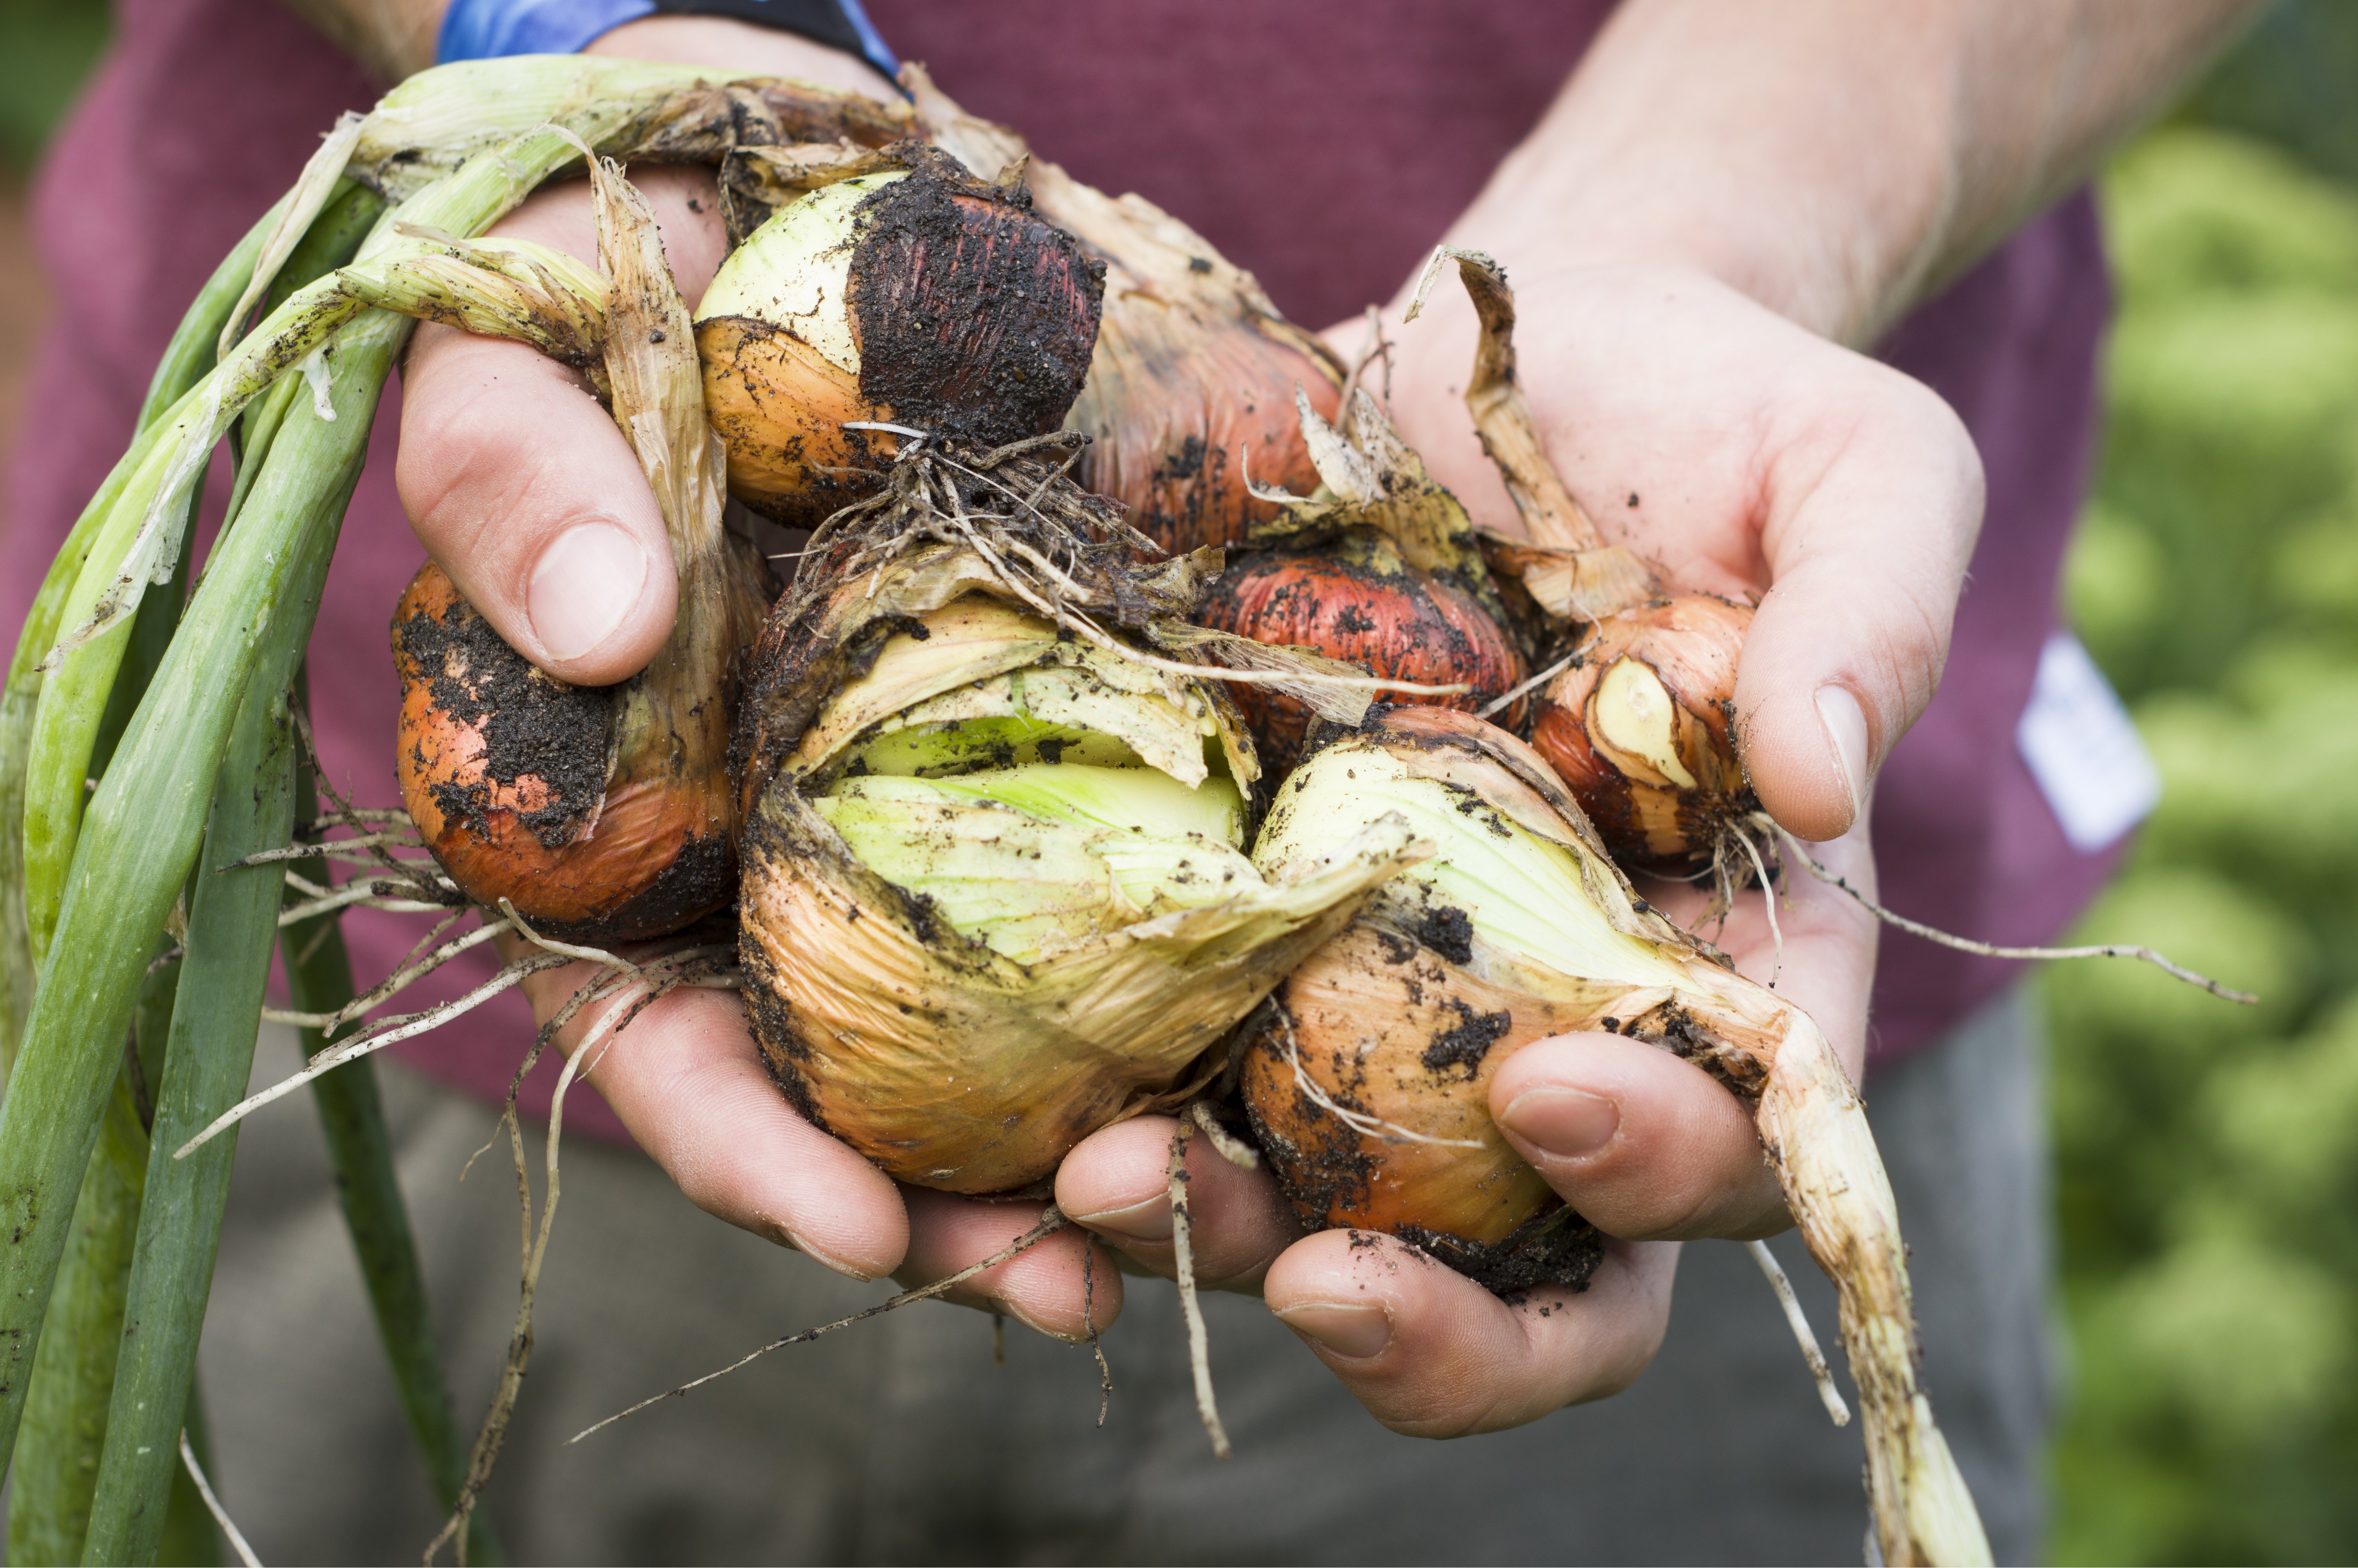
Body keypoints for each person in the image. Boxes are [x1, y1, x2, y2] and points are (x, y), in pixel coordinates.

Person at [0, 1, 2260, 1561]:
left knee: (1584, 1124)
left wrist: (1700, 227)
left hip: (1657, 1069)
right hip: (328, 897)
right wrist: (582, 35)